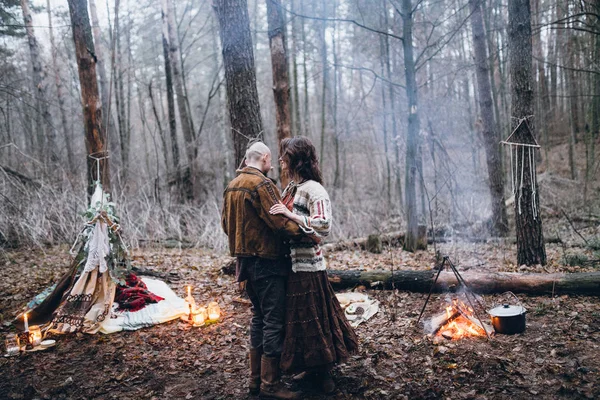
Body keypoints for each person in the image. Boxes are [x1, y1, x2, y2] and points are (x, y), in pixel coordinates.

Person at [269, 136, 359, 394]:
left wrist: (289, 215)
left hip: (309, 267)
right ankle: (310, 369)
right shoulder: (291, 188)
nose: (280, 161)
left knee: (314, 319)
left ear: (295, 159)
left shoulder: (314, 190)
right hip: (292, 266)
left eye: (284, 156)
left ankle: (324, 375)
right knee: (299, 320)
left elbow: (323, 226)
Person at [221, 141, 305, 400]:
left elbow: (226, 225)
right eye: (271, 160)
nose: (273, 164)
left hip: (244, 264)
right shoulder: (262, 185)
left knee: (259, 318)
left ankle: (255, 381)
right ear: (265, 158)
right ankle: (271, 385)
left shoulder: (232, 185)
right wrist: (305, 230)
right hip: (267, 263)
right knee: (272, 321)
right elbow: (280, 224)